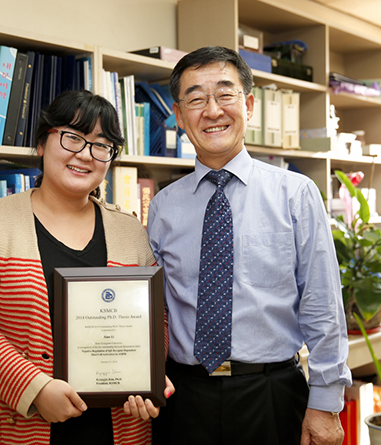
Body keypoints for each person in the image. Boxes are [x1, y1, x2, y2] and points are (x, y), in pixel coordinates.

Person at [148, 46, 351, 445]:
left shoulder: (295, 193)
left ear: (250, 104)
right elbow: (158, 312)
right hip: (185, 397)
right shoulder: (163, 206)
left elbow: (322, 304)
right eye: (196, 99)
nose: (212, 110)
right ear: (177, 113)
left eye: (225, 94)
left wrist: (326, 402)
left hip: (272, 393)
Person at [0, 89, 173, 445]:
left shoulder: (129, 229)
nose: (85, 155)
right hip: (25, 423)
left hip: (119, 427)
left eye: (102, 145)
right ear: (41, 143)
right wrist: (34, 389)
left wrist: (148, 374)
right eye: (73, 138)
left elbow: (153, 315)